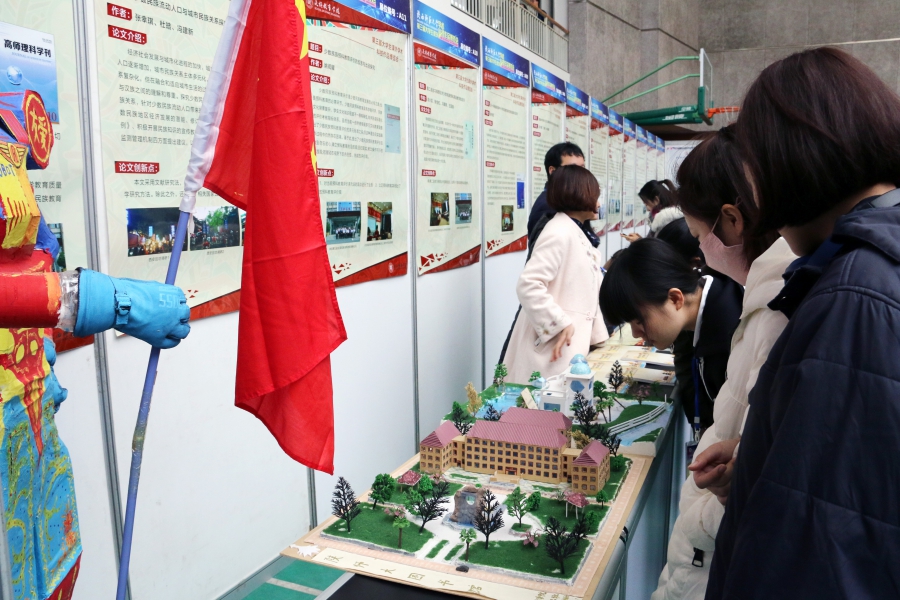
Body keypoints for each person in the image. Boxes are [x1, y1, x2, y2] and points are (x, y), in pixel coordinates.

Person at [701, 47, 900, 599]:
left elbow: (818, 538)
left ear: (788, 160)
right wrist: (763, 455)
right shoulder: (865, 270)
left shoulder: (855, 296)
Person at [0, 92, 190, 600]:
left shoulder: (10, 121)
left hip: (32, 412)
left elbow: (38, 249)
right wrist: (106, 300)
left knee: (54, 564)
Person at [650, 127, 796, 600]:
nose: (702, 253)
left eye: (700, 236)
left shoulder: (777, 305)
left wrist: (736, 470)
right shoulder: (765, 293)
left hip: (715, 539)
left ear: (731, 220)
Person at [599, 238, 743, 432]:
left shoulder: (733, 335)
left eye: (639, 321)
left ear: (675, 298)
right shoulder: (699, 313)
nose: (635, 333)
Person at [504, 165, 608, 384]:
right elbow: (528, 285)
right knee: (546, 401)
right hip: (553, 348)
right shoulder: (559, 232)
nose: (598, 204)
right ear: (578, 194)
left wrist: (598, 338)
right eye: (595, 196)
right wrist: (559, 323)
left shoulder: (573, 230)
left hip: (567, 347)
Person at [527, 142, 585, 241]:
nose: (581, 174)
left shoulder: (567, 201)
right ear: (553, 171)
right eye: (573, 168)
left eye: (582, 168)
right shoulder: (547, 206)